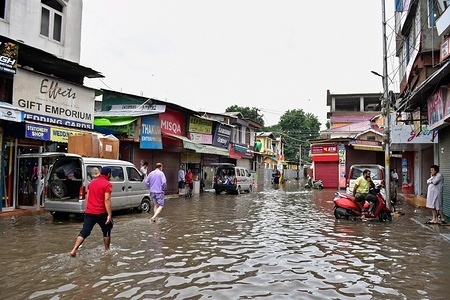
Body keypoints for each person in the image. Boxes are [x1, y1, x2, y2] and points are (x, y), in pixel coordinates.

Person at [70, 166, 113, 257]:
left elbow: (87, 197)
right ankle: (107, 250)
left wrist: (88, 209)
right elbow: (107, 200)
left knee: (84, 232)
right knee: (107, 229)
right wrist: (109, 214)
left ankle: (74, 250)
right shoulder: (107, 184)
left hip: (89, 212)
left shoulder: (91, 183)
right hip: (101, 212)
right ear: (109, 174)